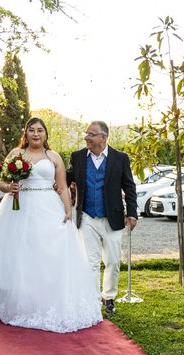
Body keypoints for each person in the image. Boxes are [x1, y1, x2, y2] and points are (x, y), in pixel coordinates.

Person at [0, 117, 102, 332]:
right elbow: (1, 183)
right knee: (21, 254)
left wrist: (67, 210)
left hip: (48, 207)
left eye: (40, 130)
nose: (36, 134)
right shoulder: (15, 155)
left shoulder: (54, 157)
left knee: (48, 254)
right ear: (25, 133)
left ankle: (48, 299)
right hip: (19, 208)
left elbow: (62, 187)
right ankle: (21, 301)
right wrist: (10, 188)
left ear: (46, 134)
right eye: (32, 130)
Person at [66, 121, 138, 315]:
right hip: (87, 216)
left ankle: (109, 297)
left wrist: (132, 212)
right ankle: (91, 299)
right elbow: (66, 178)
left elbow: (129, 186)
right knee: (90, 261)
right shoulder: (78, 157)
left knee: (113, 261)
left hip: (112, 218)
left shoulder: (120, 158)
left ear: (103, 137)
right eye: (86, 133)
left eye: (90, 134)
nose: (86, 137)